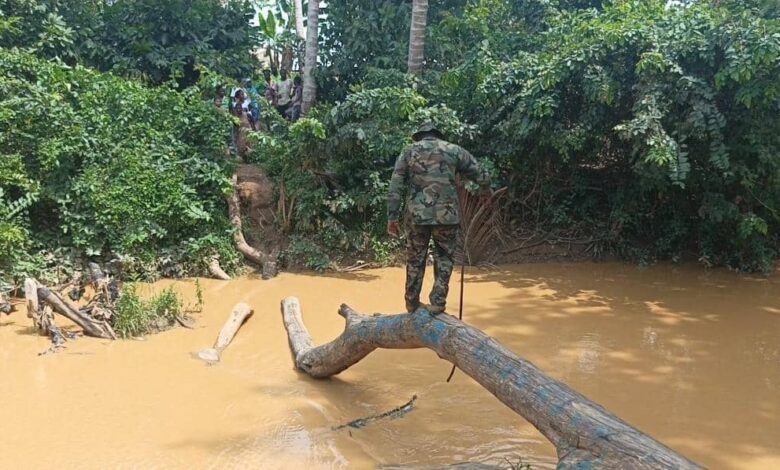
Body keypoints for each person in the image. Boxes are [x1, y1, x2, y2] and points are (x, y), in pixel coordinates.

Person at [387, 122, 491, 314]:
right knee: (445, 258)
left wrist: (392, 217)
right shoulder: (454, 150)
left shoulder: (408, 152)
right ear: (437, 135)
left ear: (419, 136)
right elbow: (480, 173)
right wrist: (485, 191)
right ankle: (438, 302)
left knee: (415, 259)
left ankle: (412, 304)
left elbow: (396, 185)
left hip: (417, 217)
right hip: (447, 217)